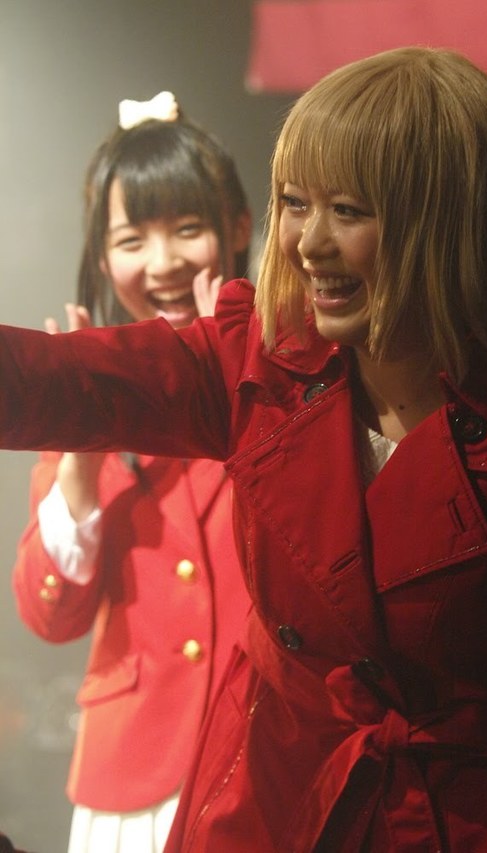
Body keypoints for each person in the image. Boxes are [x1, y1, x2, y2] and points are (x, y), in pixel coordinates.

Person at [1, 47, 487, 851]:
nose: (307, 243)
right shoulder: (257, 365)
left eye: (348, 210)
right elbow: (56, 381)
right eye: (296, 203)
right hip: (265, 807)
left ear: (450, 219)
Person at [10, 95, 252, 852]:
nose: (163, 261)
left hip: (262, 755)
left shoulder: (288, 380)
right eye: (131, 239)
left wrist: (235, 367)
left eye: (187, 228)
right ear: (102, 258)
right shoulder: (84, 397)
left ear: (240, 229)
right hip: (132, 779)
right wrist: (79, 469)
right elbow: (51, 618)